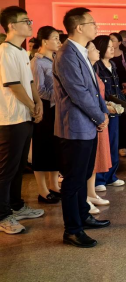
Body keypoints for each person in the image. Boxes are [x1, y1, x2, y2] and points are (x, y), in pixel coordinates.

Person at [53, 7, 110, 248]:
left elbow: (94, 89)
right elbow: (78, 92)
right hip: (75, 126)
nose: (96, 27)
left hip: (87, 124)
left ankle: (83, 216)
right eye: (92, 23)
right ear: (78, 27)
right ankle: (72, 230)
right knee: (73, 179)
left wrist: (102, 113)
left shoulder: (81, 51)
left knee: (84, 173)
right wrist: (99, 116)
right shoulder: (67, 54)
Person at [0, 6, 44, 235]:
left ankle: (16, 206)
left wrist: (38, 102)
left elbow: (30, 82)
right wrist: (32, 105)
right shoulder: (5, 51)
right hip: (10, 119)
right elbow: (14, 85)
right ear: (11, 26)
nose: (30, 24)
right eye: (25, 21)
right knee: (6, 169)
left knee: (18, 166)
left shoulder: (21, 52)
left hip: (24, 116)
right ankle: (2, 215)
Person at [30, 26, 62, 204]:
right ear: (44, 41)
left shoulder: (56, 59)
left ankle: (54, 185)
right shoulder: (37, 62)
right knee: (42, 149)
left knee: (54, 148)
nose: (58, 41)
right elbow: (38, 90)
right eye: (55, 38)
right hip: (44, 110)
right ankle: (42, 190)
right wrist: (60, 96)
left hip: (57, 110)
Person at [93, 35, 125, 190]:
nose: (113, 50)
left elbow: (116, 87)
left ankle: (111, 176)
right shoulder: (96, 66)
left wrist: (120, 104)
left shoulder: (112, 64)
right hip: (103, 110)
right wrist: (106, 106)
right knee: (102, 145)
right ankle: (99, 179)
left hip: (115, 109)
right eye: (109, 47)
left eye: (113, 47)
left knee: (113, 143)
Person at [86, 41, 112, 213]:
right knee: (88, 160)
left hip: (100, 117)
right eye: (93, 49)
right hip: (92, 119)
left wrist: (105, 112)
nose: (97, 51)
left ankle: (91, 192)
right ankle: (85, 197)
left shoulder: (93, 69)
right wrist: (99, 116)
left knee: (95, 158)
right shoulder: (84, 69)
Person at [109, 32, 126, 157]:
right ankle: (111, 146)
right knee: (111, 119)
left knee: (123, 118)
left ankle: (122, 145)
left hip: (124, 92)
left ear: (119, 42)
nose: (110, 42)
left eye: (113, 40)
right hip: (110, 92)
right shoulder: (105, 56)